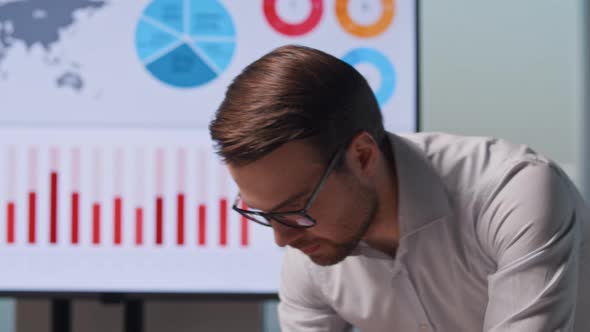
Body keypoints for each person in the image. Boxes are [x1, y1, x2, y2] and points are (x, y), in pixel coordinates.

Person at [209, 44, 590, 331]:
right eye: (264, 213)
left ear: (362, 155)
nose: (280, 238)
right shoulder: (312, 255)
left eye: (295, 206)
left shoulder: (512, 195)